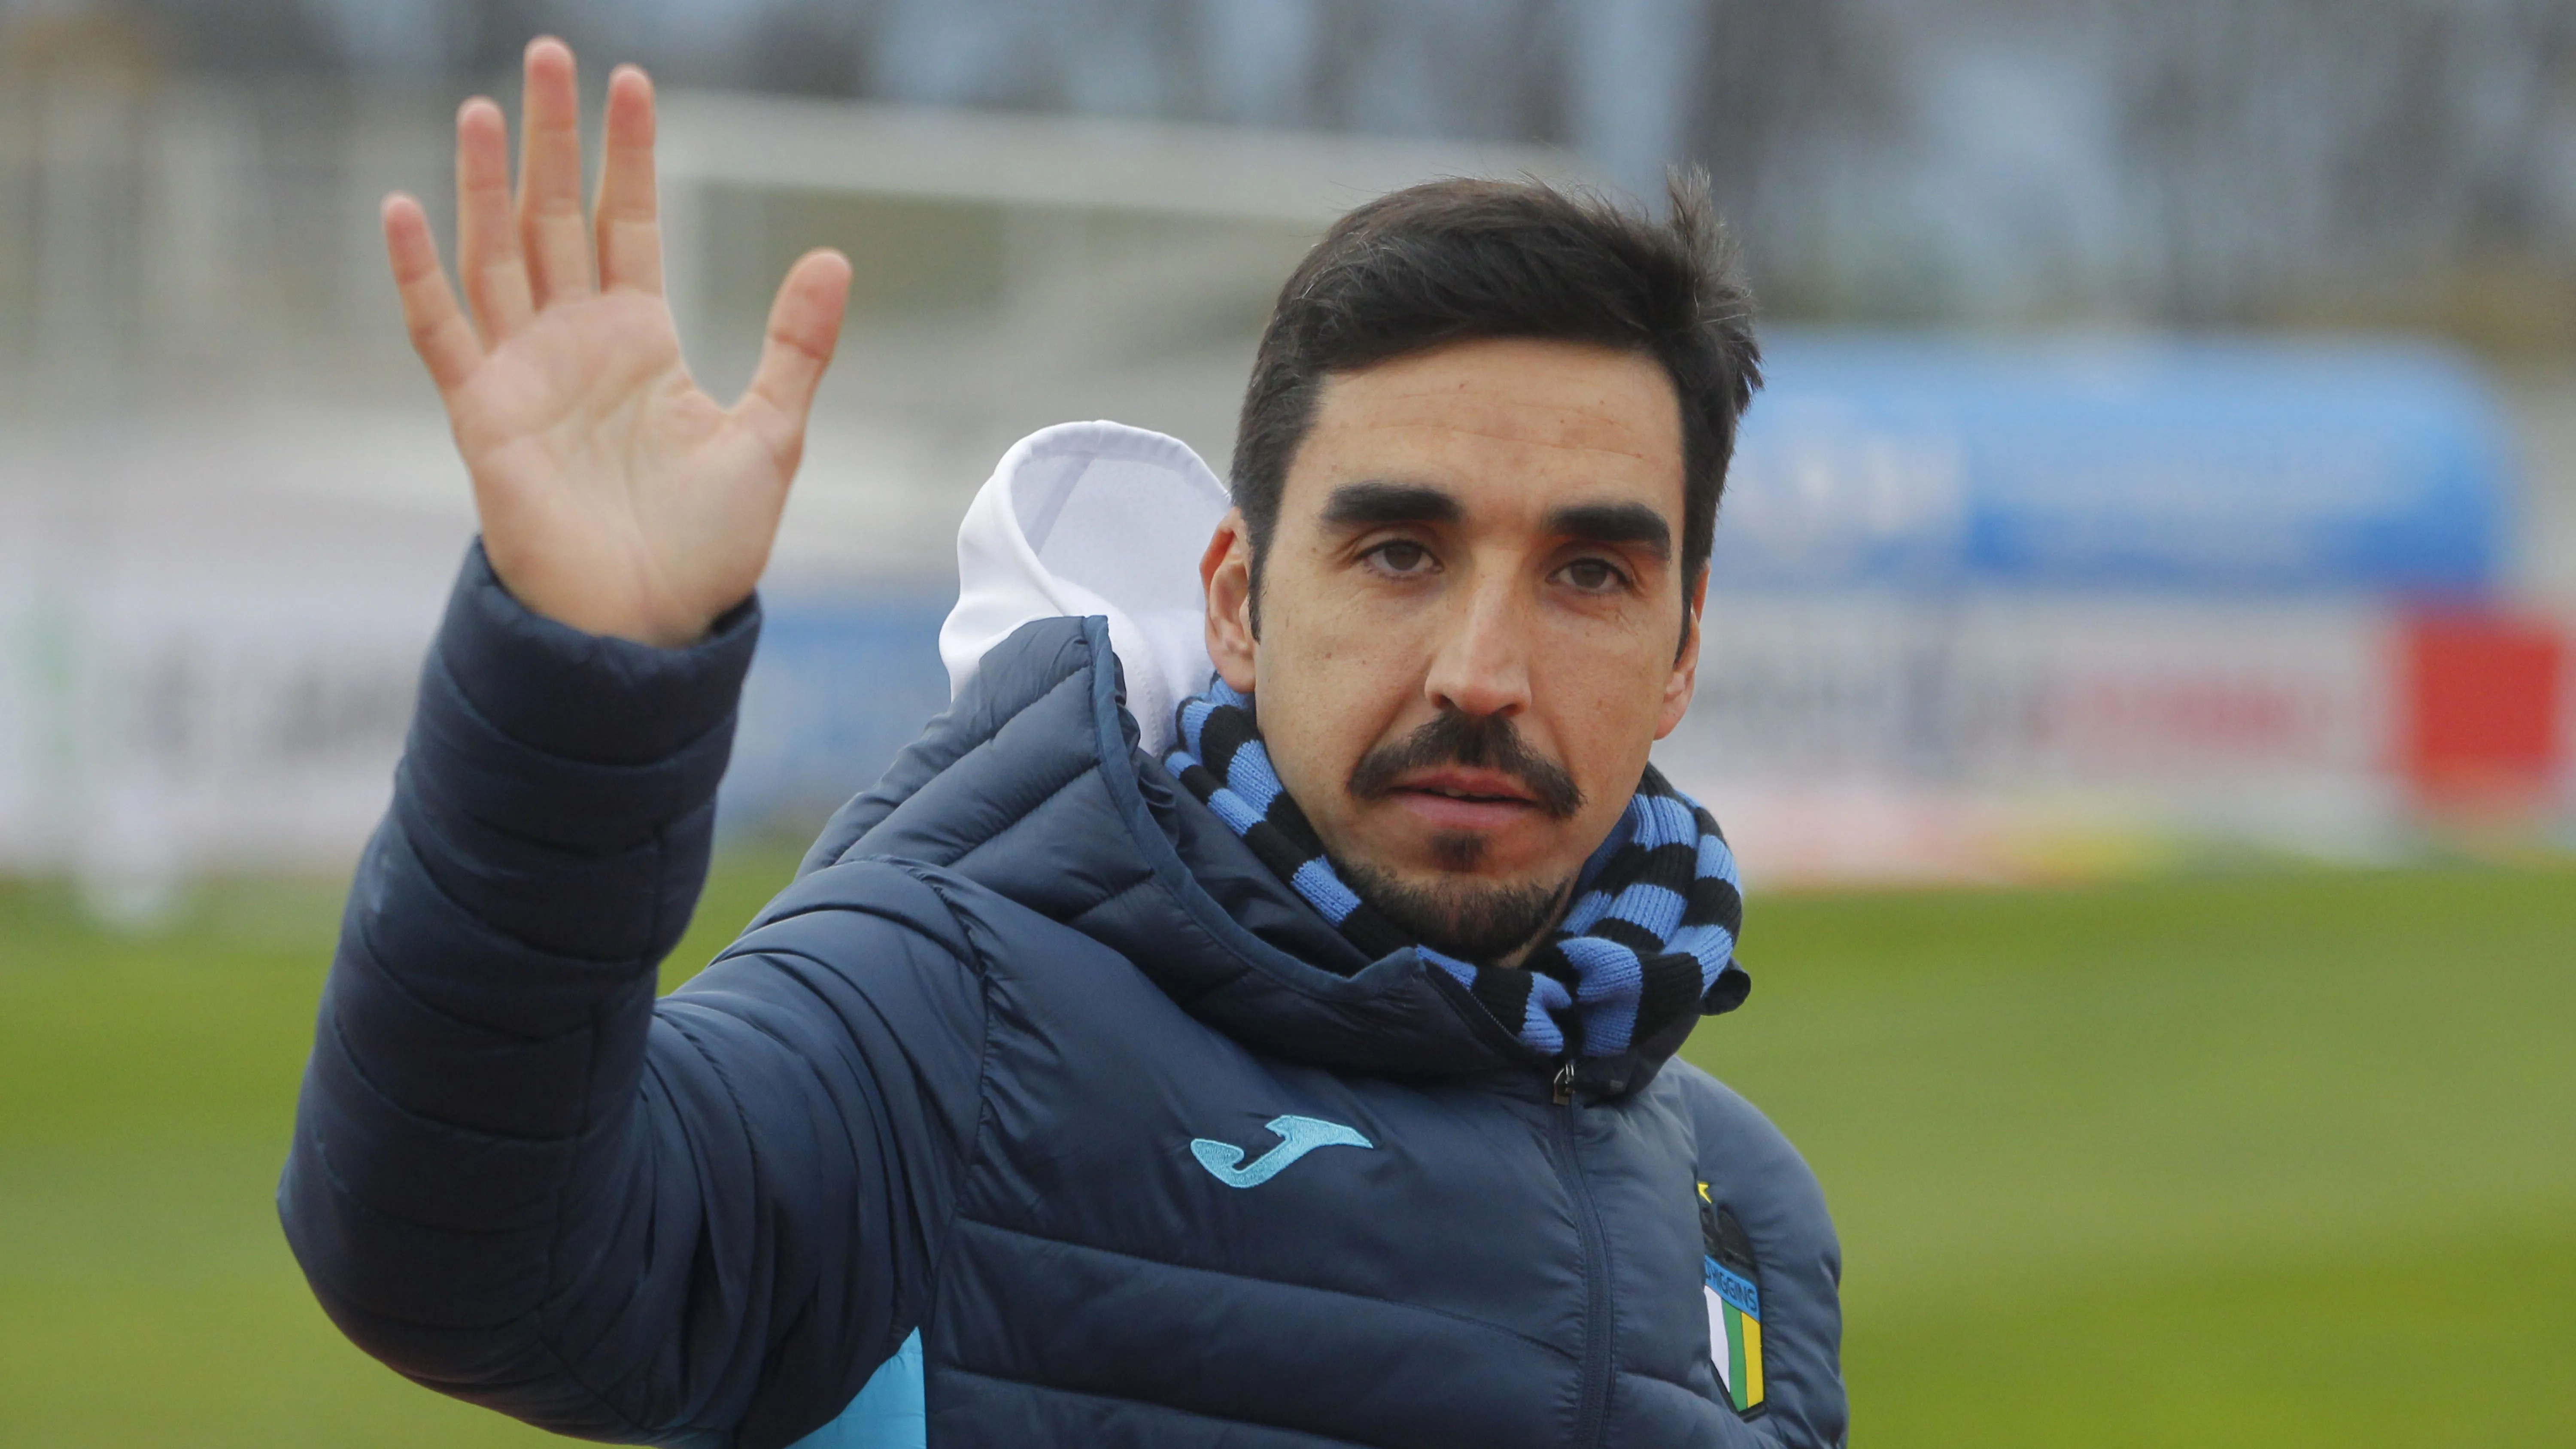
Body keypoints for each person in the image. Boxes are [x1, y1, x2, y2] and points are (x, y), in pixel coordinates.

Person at [279, 35, 1847, 1449]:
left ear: (1683, 648)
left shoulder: (1739, 1206)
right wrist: (579, 678)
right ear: (1235, 599)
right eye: (1398, 552)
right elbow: (464, 1255)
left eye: (1589, 573)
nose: (1484, 671)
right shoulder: (949, 1021)